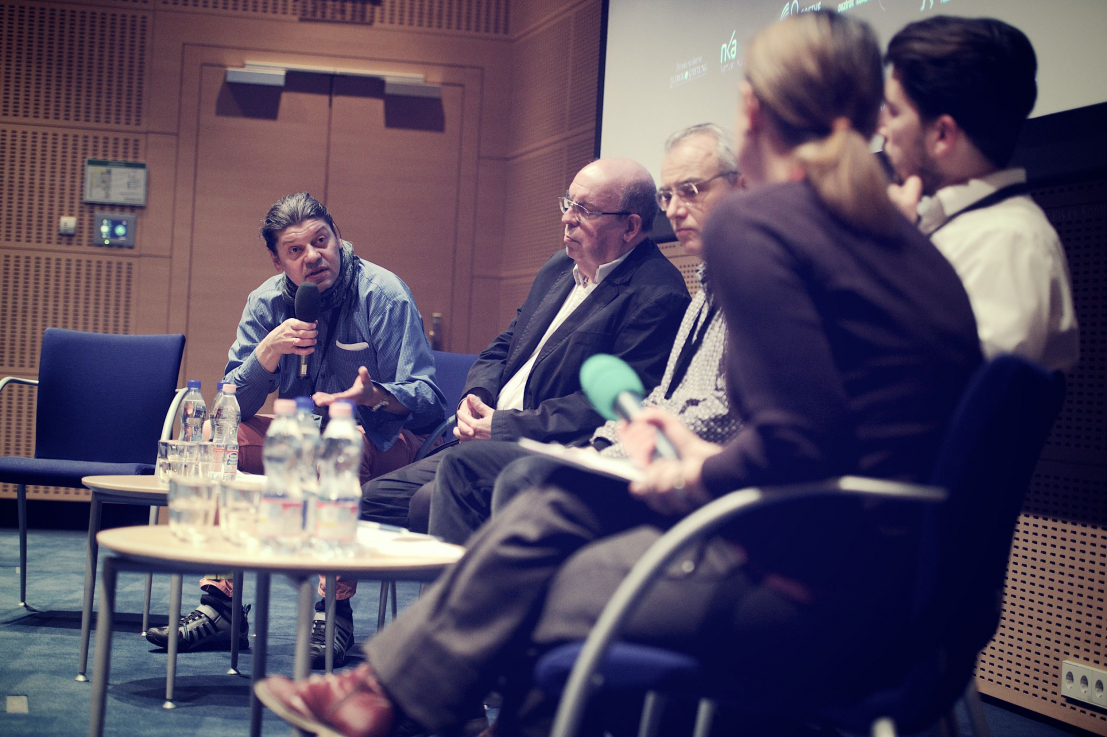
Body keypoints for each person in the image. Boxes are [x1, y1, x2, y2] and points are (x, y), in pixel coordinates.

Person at [253, 11, 982, 737]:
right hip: (914, 592)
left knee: (537, 575)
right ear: (872, 114)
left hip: (808, 582)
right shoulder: (915, 247)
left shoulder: (763, 230)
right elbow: (835, 430)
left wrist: (691, 469)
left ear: (753, 111)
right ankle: (392, 694)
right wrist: (684, 449)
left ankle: (395, 694)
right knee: (555, 510)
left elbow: (799, 445)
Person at [146, 193, 447, 663]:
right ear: (278, 260)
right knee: (216, 440)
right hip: (301, 435)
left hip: (383, 440)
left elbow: (428, 400)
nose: (313, 256)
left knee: (338, 450)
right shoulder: (265, 301)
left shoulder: (382, 294)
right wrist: (266, 354)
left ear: (337, 236)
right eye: (295, 250)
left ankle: (334, 610)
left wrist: (376, 396)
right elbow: (233, 409)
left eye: (321, 241)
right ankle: (221, 605)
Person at [427, 123, 743, 546]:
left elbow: (716, 414)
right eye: (668, 196)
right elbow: (661, 398)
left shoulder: (688, 292)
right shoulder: (704, 290)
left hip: (684, 476)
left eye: (691, 190)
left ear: (743, 187)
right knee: (406, 486)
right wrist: (479, 396)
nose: (674, 211)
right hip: (592, 444)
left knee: (509, 477)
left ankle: (475, 592)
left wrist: (608, 446)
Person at [359, 157, 690, 531]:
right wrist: (476, 396)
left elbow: (611, 406)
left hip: (545, 449)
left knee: (426, 503)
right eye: (569, 203)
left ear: (630, 226)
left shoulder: (657, 294)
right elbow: (505, 345)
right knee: (371, 500)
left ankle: (468, 572)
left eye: (585, 210)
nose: (567, 218)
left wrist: (503, 425)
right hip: (485, 437)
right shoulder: (558, 267)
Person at [879, 15, 1079, 372]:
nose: (880, 128)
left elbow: (934, 392)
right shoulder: (960, 227)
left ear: (942, 135)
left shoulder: (1007, 241)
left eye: (893, 112)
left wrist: (892, 251)